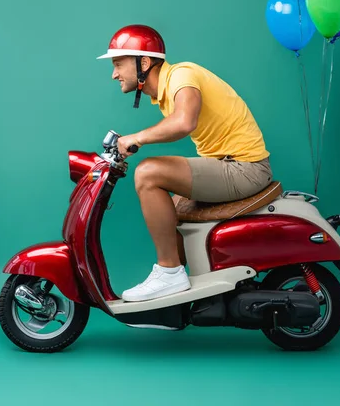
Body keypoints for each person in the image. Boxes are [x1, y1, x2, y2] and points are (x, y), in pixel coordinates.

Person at [97, 24, 272, 302]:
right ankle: (175, 293)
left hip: (244, 168)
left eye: (118, 63)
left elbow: (184, 121)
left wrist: (138, 138)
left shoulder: (181, 75)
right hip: (231, 164)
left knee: (148, 173)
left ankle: (169, 273)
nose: (114, 73)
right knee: (172, 206)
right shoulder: (165, 90)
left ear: (144, 62)